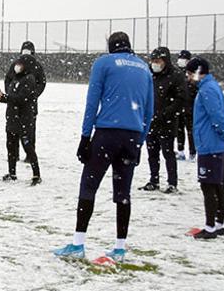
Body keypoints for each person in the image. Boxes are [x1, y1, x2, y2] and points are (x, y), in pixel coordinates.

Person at [53, 32, 153, 262]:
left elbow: (92, 101)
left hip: (107, 133)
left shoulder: (104, 63)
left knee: (88, 185)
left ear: (111, 46)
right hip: (132, 135)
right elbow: (149, 111)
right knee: (123, 193)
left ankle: (78, 243)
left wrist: (85, 136)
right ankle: (120, 248)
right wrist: (139, 141)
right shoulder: (143, 68)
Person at [185, 57, 224, 239]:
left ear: (198, 73)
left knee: (209, 186)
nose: (189, 78)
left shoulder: (207, 90)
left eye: (190, 74)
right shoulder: (211, 87)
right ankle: (218, 224)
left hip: (210, 145)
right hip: (213, 143)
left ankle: (211, 227)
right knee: (217, 185)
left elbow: (218, 117)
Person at [0, 54, 42, 185]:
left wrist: (4, 97)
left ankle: (36, 175)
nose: (17, 66)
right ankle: (12, 173)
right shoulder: (15, 79)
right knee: (11, 146)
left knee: (28, 147)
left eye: (20, 64)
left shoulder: (29, 79)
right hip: (12, 119)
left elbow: (20, 99)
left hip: (24, 119)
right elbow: (11, 98)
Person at [138, 47, 185, 193]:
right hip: (150, 122)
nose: (154, 64)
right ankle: (154, 180)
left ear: (165, 61)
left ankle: (172, 182)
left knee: (168, 153)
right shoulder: (149, 75)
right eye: (152, 61)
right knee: (152, 153)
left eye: (157, 61)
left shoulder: (176, 76)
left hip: (167, 123)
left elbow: (181, 98)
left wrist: (166, 113)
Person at [4, 41, 47, 163]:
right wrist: (13, 94)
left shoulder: (30, 65)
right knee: (23, 131)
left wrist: (31, 95)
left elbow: (41, 83)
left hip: (23, 106)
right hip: (23, 106)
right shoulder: (23, 65)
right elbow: (8, 79)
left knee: (20, 131)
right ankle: (21, 155)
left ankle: (22, 154)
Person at [176, 50, 197, 160]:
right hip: (179, 107)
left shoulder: (194, 74)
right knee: (179, 130)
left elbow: (195, 91)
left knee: (191, 131)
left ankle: (193, 152)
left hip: (190, 108)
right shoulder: (177, 73)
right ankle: (180, 150)